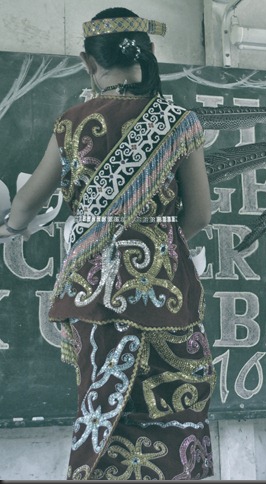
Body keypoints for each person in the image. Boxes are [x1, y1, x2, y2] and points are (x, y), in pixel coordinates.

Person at [0, 8, 214, 480]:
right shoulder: (179, 122)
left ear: (88, 62)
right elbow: (200, 215)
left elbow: (28, 203)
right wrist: (157, 243)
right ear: (148, 53)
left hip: (91, 292)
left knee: (102, 404)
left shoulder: (73, 123)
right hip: (166, 292)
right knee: (171, 405)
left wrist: (11, 229)